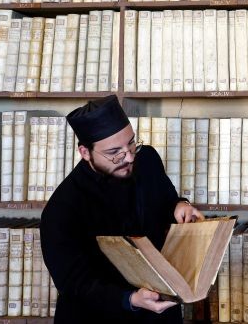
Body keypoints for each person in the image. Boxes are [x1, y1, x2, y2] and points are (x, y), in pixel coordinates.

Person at [40, 95, 203, 323]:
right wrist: (131, 299)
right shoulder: (62, 209)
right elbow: (74, 284)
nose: (128, 157)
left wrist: (180, 206)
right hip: (100, 317)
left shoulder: (147, 160)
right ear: (85, 152)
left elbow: (166, 200)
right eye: (114, 152)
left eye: (131, 143)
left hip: (161, 313)